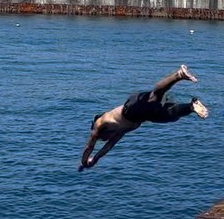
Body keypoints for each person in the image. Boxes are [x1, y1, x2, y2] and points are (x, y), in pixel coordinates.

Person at [78, 64, 208, 171]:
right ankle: (192, 106)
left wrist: (84, 162)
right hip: (143, 116)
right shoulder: (118, 132)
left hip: (131, 108)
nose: (105, 139)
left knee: (155, 96)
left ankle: (179, 75)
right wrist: (95, 159)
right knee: (170, 115)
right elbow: (108, 147)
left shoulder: (100, 123)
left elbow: (89, 146)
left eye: (102, 138)